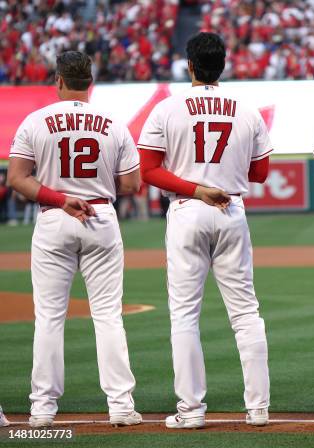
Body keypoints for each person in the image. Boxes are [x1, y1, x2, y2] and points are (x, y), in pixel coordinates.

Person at [138, 32, 272, 429]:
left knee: (184, 315)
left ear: (190, 65)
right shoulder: (246, 110)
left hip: (187, 209)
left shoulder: (167, 109)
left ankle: (191, 411)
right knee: (246, 312)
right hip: (231, 208)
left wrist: (197, 186)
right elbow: (261, 173)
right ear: (223, 65)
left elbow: (148, 171)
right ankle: (259, 409)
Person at [7, 51, 142, 428]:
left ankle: (42, 409)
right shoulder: (113, 122)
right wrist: (96, 187)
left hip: (54, 217)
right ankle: (120, 406)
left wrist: (61, 197)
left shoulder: (36, 120)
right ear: (90, 84)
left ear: (59, 81)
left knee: (49, 317)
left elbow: (17, 179)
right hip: (100, 216)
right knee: (108, 316)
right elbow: (132, 183)